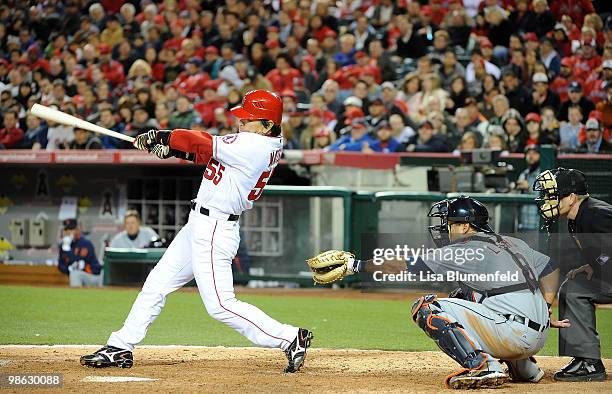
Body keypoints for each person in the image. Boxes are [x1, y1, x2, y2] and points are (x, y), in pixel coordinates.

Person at [80, 90, 312, 373]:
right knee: (157, 282)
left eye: (248, 119)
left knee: (220, 305)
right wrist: (172, 149)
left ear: (266, 125)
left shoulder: (256, 146)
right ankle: (121, 346)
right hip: (200, 224)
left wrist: (164, 137)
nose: (240, 122)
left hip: (215, 229)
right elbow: (206, 152)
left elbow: (202, 141)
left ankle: (289, 337)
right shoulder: (258, 142)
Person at [307, 196, 569, 389]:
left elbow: (403, 265)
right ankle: (524, 367)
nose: (445, 228)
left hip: (513, 333)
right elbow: (551, 268)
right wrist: (545, 306)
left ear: (466, 226)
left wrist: (357, 265)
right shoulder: (513, 242)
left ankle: (482, 365)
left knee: (426, 307)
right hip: (538, 333)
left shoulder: (466, 248)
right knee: (464, 295)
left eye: (451, 223)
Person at [533, 168, 612, 381]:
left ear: (571, 197)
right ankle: (587, 360)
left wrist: (602, 263)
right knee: (574, 287)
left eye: (553, 196)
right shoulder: (576, 217)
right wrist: (594, 265)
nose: (547, 201)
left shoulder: (596, 213)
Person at [57, 218, 103, 287]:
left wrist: (67, 249)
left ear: (77, 230)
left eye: (71, 229)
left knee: (75, 273)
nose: (69, 232)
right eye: (66, 230)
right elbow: (61, 265)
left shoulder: (85, 243)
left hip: (92, 276)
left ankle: (75, 296)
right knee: (74, 273)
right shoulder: (63, 245)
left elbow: (77, 261)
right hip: (77, 277)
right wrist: (68, 269)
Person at [515, 145, 542, 231]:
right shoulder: (524, 174)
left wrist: (529, 187)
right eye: (528, 154)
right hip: (522, 223)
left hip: (536, 224)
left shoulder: (544, 175)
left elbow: (544, 197)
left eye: (534, 153)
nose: (531, 156)